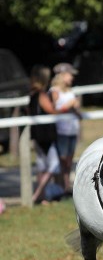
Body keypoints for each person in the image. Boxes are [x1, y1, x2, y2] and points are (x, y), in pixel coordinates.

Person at [28, 65, 62, 204]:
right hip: (46, 135)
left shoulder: (32, 94)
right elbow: (52, 110)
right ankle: (37, 195)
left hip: (37, 135)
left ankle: (43, 196)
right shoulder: (42, 95)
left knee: (42, 167)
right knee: (53, 165)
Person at [50, 63, 82, 195]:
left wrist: (76, 109)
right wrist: (69, 105)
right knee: (62, 160)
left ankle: (66, 186)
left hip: (72, 130)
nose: (72, 78)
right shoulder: (54, 91)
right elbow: (54, 110)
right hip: (61, 130)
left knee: (69, 161)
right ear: (62, 75)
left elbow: (75, 111)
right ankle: (60, 186)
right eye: (70, 75)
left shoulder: (70, 91)